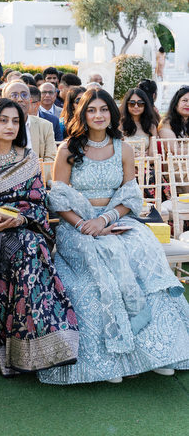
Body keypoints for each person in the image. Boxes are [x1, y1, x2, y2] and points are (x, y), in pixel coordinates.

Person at [37, 88, 189, 385]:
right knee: (100, 268)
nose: (98, 115)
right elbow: (59, 199)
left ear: (111, 113)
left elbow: (130, 196)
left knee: (144, 257)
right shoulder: (68, 149)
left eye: (103, 110)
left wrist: (106, 218)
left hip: (117, 221)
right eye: (91, 110)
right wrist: (86, 225)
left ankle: (158, 353)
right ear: (83, 114)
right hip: (76, 227)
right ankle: (113, 359)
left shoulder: (124, 148)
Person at [0, 99, 79, 376]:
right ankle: (41, 340)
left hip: (24, 227)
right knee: (27, 246)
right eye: (3, 120)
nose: (10, 126)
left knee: (29, 244)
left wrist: (21, 219)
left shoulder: (27, 157)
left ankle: (29, 346)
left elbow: (39, 202)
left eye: (15, 121)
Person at [2, 81, 57, 167]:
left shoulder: (45, 126)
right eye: (14, 95)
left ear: (30, 100)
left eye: (24, 95)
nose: (20, 99)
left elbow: (50, 159)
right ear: (4, 100)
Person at [120, 88, 158, 155]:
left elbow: (153, 155)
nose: (136, 106)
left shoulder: (151, 127)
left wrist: (143, 157)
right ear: (126, 105)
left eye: (140, 103)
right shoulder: (120, 125)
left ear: (145, 105)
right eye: (132, 103)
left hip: (145, 164)